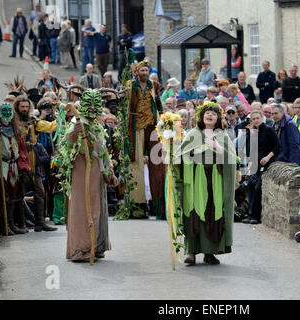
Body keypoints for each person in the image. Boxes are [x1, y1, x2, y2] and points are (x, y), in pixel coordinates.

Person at [174, 102, 236, 265]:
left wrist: (217, 147)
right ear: (202, 116)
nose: (210, 115)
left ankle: (210, 252)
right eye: (207, 113)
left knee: (213, 212)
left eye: (214, 114)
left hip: (215, 179)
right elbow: (180, 155)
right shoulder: (192, 134)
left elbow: (230, 159)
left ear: (217, 118)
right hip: (195, 179)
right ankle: (191, 252)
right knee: (193, 212)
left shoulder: (222, 135)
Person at [60, 89, 117, 262]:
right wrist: (74, 133)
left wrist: (109, 171)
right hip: (82, 173)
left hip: (96, 175)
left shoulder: (97, 126)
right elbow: (65, 146)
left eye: (96, 105)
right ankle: (80, 248)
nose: (93, 109)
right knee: (82, 208)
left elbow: (104, 153)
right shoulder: (76, 122)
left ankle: (96, 245)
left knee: (97, 208)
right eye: (89, 105)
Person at [0, 102, 31, 235]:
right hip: (1, 166)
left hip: (13, 165)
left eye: (10, 111)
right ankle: (4, 226)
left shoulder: (16, 130)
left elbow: (22, 150)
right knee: (3, 197)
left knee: (13, 197)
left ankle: (12, 224)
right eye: (5, 111)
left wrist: (24, 167)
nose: (7, 114)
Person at [126, 60, 165, 218]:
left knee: (157, 163)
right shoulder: (131, 85)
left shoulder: (153, 85)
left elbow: (158, 103)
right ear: (137, 72)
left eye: (146, 70)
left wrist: (163, 118)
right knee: (135, 163)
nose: (144, 73)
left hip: (152, 126)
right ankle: (137, 207)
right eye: (141, 70)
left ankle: (159, 207)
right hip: (136, 127)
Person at [13, 95, 58, 232]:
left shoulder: (33, 122)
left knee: (40, 191)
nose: (25, 109)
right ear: (17, 107)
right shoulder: (12, 122)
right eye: (22, 107)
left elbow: (50, 127)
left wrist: (60, 114)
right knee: (18, 193)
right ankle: (21, 224)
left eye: (27, 106)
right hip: (19, 160)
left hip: (34, 159)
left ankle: (39, 222)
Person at [242, 110, 279, 224]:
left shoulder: (268, 130)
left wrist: (267, 158)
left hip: (266, 162)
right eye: (253, 119)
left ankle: (256, 216)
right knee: (251, 187)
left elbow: (277, 147)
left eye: (257, 118)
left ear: (262, 118)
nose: (255, 120)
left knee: (258, 188)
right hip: (255, 163)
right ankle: (250, 214)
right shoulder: (253, 132)